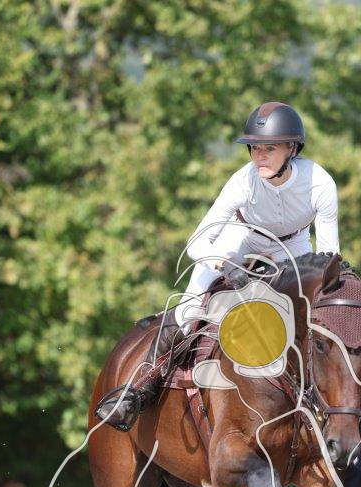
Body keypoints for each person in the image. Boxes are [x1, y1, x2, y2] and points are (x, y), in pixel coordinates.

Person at [97, 101, 341, 430]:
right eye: (254, 148)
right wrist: (225, 264)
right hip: (240, 237)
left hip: (293, 245)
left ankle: (323, 406)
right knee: (189, 309)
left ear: (292, 149)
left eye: (269, 149)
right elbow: (197, 242)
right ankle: (138, 390)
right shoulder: (242, 182)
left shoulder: (320, 183)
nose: (259, 157)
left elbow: (328, 256)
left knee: (311, 315)